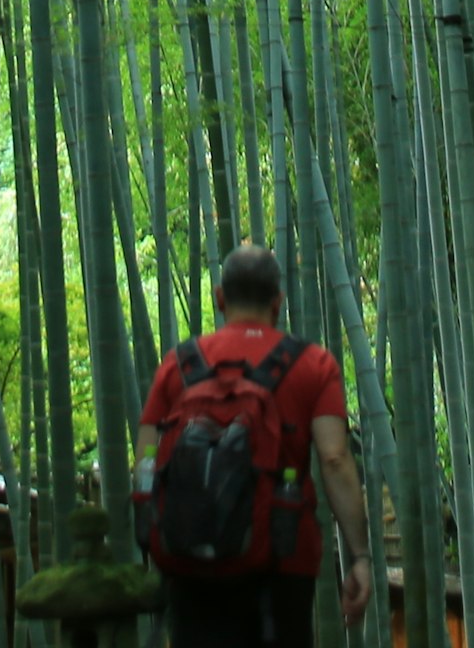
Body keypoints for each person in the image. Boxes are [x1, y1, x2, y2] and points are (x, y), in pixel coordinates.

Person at [135, 241, 375, 645]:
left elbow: (144, 458)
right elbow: (335, 459)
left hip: (191, 556)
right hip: (282, 558)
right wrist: (360, 556)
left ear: (219, 298)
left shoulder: (178, 365)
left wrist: (150, 532)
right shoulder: (312, 364)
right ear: (278, 302)